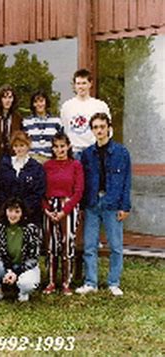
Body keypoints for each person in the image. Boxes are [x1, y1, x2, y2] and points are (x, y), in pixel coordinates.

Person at [76, 112, 131, 297]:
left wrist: (125, 206)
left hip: (112, 203)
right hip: (92, 204)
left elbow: (126, 181)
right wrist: (82, 206)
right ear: (92, 130)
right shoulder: (86, 154)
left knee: (116, 246)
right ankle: (91, 282)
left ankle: (113, 282)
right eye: (95, 127)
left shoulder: (121, 153)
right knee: (90, 245)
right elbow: (82, 182)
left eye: (102, 126)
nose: (99, 130)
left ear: (108, 127)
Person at [42, 133, 84, 296]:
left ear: (68, 146)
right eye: (56, 146)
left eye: (62, 146)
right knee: (51, 246)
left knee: (67, 244)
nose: (59, 149)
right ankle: (52, 281)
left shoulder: (75, 165)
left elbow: (79, 191)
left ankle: (66, 282)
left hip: (68, 206)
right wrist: (47, 209)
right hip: (50, 206)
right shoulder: (47, 166)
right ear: (52, 148)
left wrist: (65, 211)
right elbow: (41, 190)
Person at [0, 197, 41, 303]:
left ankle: (22, 292)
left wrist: (16, 273)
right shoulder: (0, 227)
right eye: (10, 211)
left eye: (17, 211)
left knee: (27, 284)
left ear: (22, 213)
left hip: (26, 267)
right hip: (7, 266)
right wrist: (9, 271)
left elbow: (33, 258)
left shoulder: (31, 229)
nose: (12, 215)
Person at [0, 131, 45, 226]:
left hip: (29, 215)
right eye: (16, 146)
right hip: (8, 215)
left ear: (28, 146)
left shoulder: (36, 167)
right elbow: (0, 188)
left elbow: (38, 192)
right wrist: (9, 209)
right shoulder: (4, 165)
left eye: (22, 145)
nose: (19, 149)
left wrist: (22, 209)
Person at [60, 69, 111, 159]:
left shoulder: (100, 106)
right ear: (74, 86)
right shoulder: (66, 106)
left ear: (90, 84)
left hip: (94, 152)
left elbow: (108, 131)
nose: (81, 87)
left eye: (84, 83)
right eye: (78, 83)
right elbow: (64, 130)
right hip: (73, 153)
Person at [22, 90, 63, 163]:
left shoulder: (56, 121)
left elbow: (61, 142)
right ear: (33, 104)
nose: (39, 104)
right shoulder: (26, 122)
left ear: (46, 102)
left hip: (50, 160)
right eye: (36, 102)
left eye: (41, 101)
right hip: (32, 160)